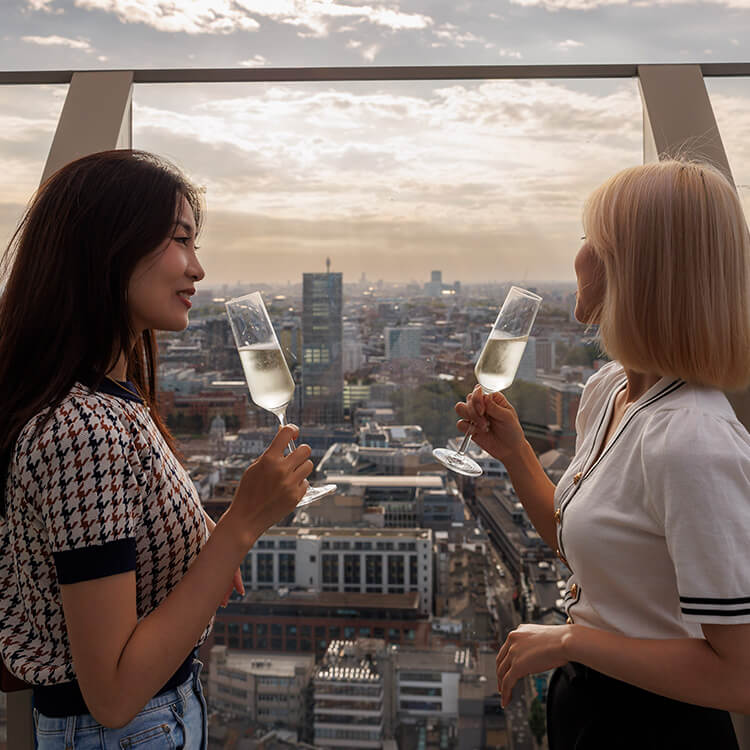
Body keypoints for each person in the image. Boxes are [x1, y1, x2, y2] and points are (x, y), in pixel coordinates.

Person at [0, 150, 313, 747]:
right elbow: (114, 693)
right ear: (108, 248)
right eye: (181, 240)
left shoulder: (108, 401)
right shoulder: (84, 430)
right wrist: (240, 525)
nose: (197, 269)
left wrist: (200, 560)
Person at [457, 159, 750, 749]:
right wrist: (516, 454)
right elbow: (577, 542)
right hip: (590, 705)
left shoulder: (691, 439)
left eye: (590, 239)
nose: (579, 256)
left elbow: (741, 676)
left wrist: (570, 641)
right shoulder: (610, 389)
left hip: (657, 724)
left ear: (634, 268)